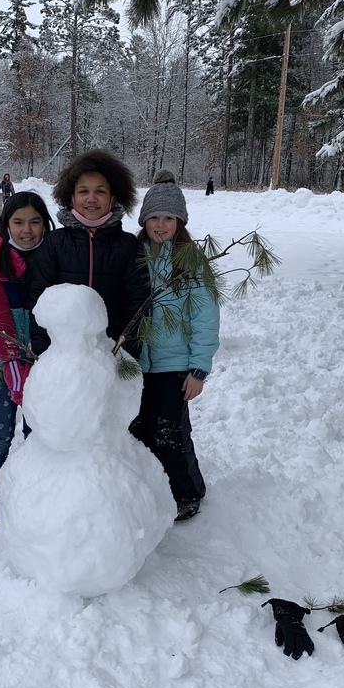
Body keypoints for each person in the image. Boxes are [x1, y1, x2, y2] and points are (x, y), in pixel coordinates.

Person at [129, 172, 220, 522]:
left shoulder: (190, 261)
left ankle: (187, 491)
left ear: (180, 221)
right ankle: (151, 487)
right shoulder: (134, 254)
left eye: (169, 217)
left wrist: (198, 368)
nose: (161, 224)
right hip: (137, 363)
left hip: (175, 364)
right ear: (144, 220)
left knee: (169, 431)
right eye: (154, 217)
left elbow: (205, 317)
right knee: (138, 429)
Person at [0, 191, 54, 527]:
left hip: (44, 354)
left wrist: (36, 360)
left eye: (35, 221)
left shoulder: (54, 256)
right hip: (2, 356)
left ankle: (33, 495)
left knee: (36, 431)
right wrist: (11, 364)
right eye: (18, 222)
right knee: (1, 431)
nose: (27, 230)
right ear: (5, 223)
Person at [28, 149, 149, 358]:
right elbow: (39, 300)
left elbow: (137, 303)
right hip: (62, 356)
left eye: (100, 191)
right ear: (71, 198)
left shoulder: (128, 246)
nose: (91, 198)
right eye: (84, 191)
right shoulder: (54, 243)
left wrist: (125, 353)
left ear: (112, 199)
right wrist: (44, 354)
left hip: (111, 354)